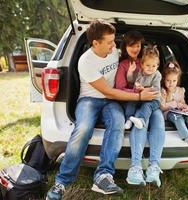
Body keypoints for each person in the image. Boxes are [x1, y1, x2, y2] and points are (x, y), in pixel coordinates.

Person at [46, 20, 159, 200]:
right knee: (83, 129)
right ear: (95, 43)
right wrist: (139, 97)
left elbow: (131, 70)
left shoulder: (113, 50)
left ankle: (103, 176)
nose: (114, 46)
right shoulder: (86, 61)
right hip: (90, 99)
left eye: (114, 41)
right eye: (109, 42)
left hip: (110, 101)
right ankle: (62, 181)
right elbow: (108, 91)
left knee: (118, 123)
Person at [115, 31, 165, 187]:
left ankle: (154, 167)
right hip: (134, 100)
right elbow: (121, 88)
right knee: (141, 119)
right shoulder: (124, 64)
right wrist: (139, 93)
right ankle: (135, 167)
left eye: (138, 45)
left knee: (158, 119)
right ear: (125, 47)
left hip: (150, 101)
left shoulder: (148, 63)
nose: (135, 48)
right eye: (132, 45)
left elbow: (156, 84)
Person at [116, 44, 161, 129]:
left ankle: (141, 120)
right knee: (131, 102)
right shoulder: (140, 72)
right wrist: (130, 73)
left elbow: (156, 88)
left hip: (153, 99)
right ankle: (128, 120)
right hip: (141, 97)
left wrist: (144, 89)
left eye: (154, 66)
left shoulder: (157, 75)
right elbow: (131, 81)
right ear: (142, 65)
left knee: (146, 106)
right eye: (148, 65)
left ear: (157, 66)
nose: (150, 68)